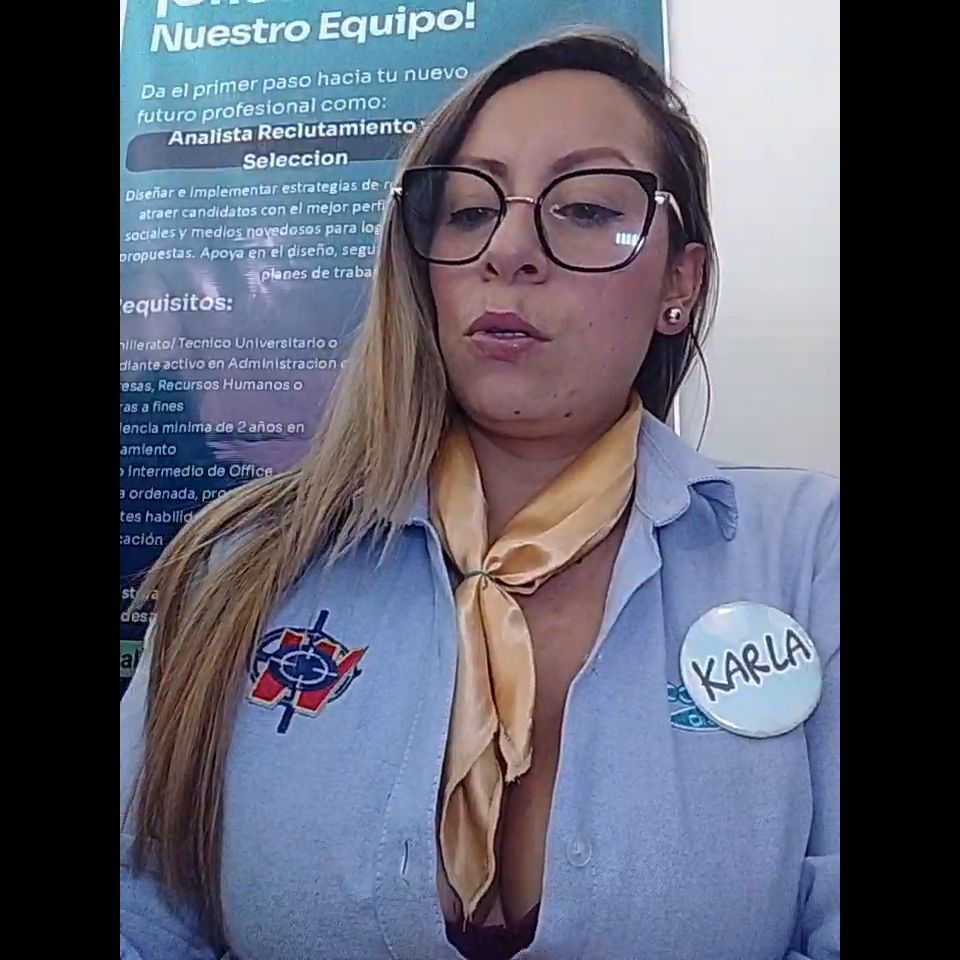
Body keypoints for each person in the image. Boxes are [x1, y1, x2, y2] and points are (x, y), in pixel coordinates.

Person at [120, 27, 839, 960]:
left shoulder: (807, 553)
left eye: (585, 207)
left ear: (680, 283)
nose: (508, 250)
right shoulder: (243, 564)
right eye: (467, 212)